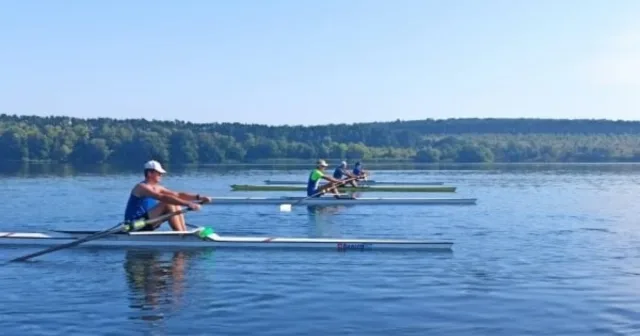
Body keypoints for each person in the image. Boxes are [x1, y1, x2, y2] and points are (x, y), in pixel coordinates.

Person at [124, 160, 213, 231]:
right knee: (168, 202)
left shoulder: (157, 187)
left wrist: (199, 197)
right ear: (149, 173)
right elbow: (162, 197)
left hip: (148, 221)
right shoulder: (141, 187)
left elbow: (178, 194)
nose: (161, 175)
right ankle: (180, 236)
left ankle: (183, 232)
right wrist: (188, 204)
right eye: (159, 173)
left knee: (175, 201)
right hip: (135, 224)